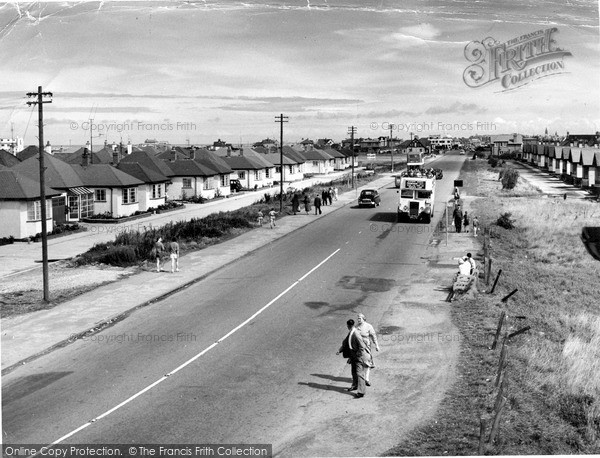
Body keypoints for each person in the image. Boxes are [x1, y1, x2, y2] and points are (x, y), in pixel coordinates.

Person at [336, 319, 369, 398]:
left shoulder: (356, 334)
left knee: (359, 373)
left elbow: (362, 346)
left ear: (349, 326)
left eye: (348, 326)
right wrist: (340, 350)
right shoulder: (351, 332)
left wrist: (357, 355)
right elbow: (346, 342)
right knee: (353, 372)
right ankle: (355, 385)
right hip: (353, 356)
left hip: (358, 356)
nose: (348, 327)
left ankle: (361, 392)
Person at [356, 313, 379, 387]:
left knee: (367, 363)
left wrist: (376, 345)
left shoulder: (368, 326)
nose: (358, 319)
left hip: (366, 347)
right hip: (358, 347)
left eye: (360, 318)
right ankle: (360, 379)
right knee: (359, 363)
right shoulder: (356, 327)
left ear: (363, 319)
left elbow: (373, 336)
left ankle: (367, 379)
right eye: (358, 318)